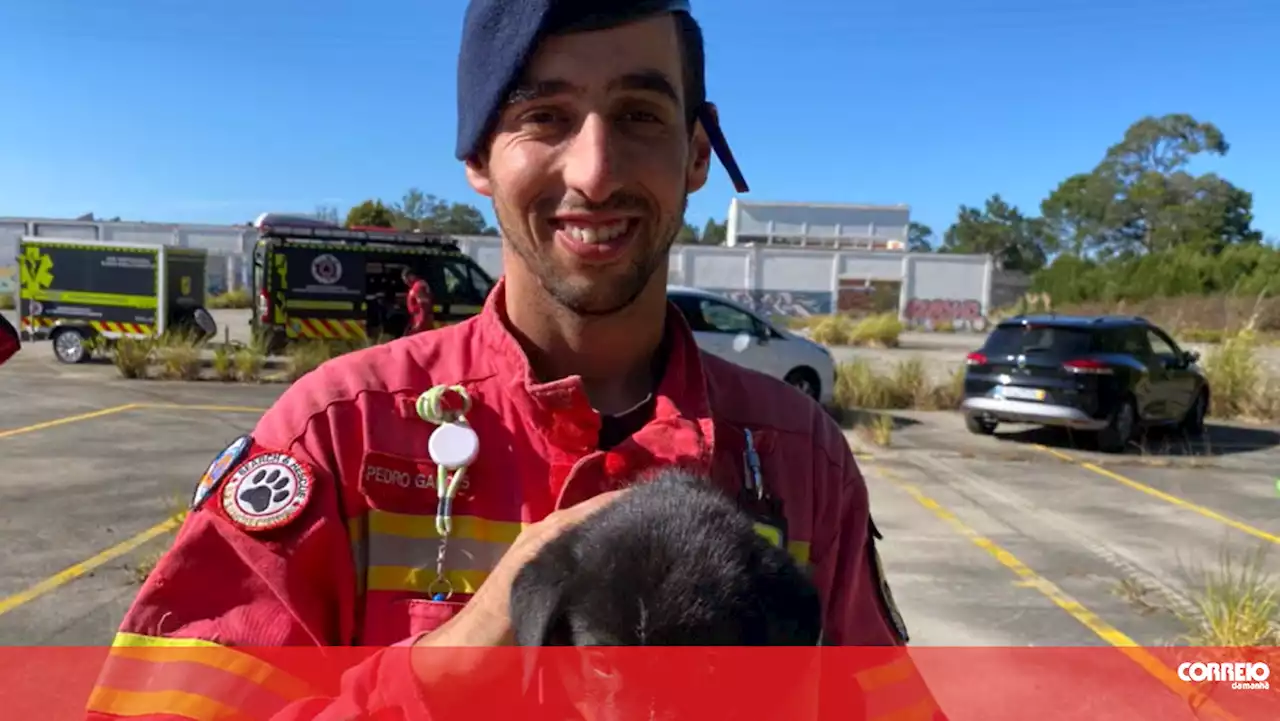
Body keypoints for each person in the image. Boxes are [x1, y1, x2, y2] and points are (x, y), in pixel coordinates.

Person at [83, 1, 947, 719]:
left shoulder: (801, 461)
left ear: (696, 154)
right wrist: (446, 668)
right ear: (477, 159)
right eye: (544, 116)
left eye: (641, 114)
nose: (596, 170)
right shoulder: (337, 436)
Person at [402, 267, 435, 334]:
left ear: (411, 276)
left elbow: (423, 306)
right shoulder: (417, 285)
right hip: (418, 319)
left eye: (405, 279)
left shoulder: (418, 287)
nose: (405, 282)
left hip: (421, 321)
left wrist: (420, 323)